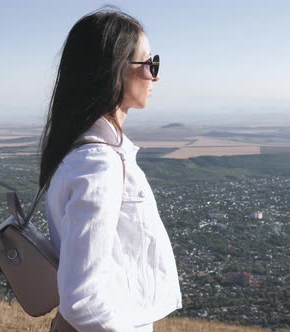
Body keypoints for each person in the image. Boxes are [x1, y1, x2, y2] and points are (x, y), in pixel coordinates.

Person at [39, 7, 182, 332]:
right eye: (148, 63)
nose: (155, 75)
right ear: (115, 69)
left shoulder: (77, 150)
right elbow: (82, 299)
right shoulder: (97, 164)